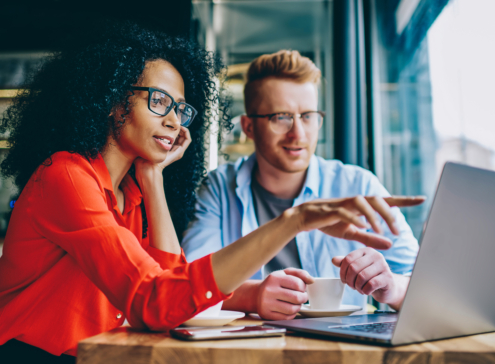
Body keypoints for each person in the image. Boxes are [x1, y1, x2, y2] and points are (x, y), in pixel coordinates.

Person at [0, 24, 422, 362]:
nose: (175, 121)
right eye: (159, 101)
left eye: (180, 108)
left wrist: (153, 178)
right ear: (112, 100)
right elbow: (156, 300)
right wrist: (293, 221)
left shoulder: (131, 191)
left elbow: (168, 284)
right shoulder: (67, 176)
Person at [182, 50, 422, 320]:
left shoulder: (358, 185)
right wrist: (253, 295)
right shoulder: (219, 188)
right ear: (248, 127)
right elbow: (187, 285)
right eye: (281, 117)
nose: (298, 133)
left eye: (308, 116)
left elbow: (426, 284)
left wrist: (391, 287)